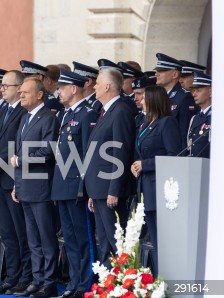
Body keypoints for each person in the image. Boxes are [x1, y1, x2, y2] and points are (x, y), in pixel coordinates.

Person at [50, 69, 97, 298]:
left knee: (82, 237)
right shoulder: (65, 115)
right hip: (62, 184)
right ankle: (73, 283)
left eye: (62, 87)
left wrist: (83, 187)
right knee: (69, 239)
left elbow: (88, 154)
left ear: (74, 89)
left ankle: (85, 284)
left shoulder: (87, 115)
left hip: (76, 185)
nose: (58, 91)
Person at [11, 77, 59, 298]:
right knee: (33, 238)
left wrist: (21, 162)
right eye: (19, 92)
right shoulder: (25, 118)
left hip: (40, 187)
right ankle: (37, 279)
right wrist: (16, 184)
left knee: (45, 237)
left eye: (25, 92)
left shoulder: (48, 118)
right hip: (25, 186)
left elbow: (47, 153)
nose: (21, 95)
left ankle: (49, 282)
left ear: (40, 95)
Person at [0, 70, 31, 295]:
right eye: (1, 86)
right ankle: (11, 277)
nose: (1, 89)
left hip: (15, 177)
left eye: (6, 86)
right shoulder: (2, 108)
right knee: (7, 232)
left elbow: (16, 145)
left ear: (19, 88)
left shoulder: (24, 110)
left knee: (21, 231)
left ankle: (25, 276)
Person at [84, 68, 135, 268]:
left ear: (107, 86)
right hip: (99, 189)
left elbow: (119, 153)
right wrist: (92, 192)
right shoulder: (106, 111)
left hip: (109, 190)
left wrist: (114, 189)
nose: (94, 86)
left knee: (116, 241)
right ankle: (108, 288)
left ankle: (124, 287)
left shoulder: (121, 111)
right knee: (104, 241)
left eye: (97, 83)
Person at [131, 85, 180, 275]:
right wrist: (136, 165)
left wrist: (146, 165)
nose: (141, 101)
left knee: (163, 242)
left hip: (161, 190)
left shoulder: (166, 123)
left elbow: (174, 156)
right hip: (145, 190)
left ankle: (167, 282)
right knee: (155, 240)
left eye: (144, 98)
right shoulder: (145, 124)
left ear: (154, 101)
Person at [154, 53, 195, 150]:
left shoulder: (185, 98)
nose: (156, 74)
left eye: (161, 71)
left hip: (174, 154)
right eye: (156, 71)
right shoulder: (161, 96)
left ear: (175, 74)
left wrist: (181, 159)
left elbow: (185, 132)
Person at [187, 71, 212, 158]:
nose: (194, 94)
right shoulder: (195, 118)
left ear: (211, 92)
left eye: (198, 90)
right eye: (193, 91)